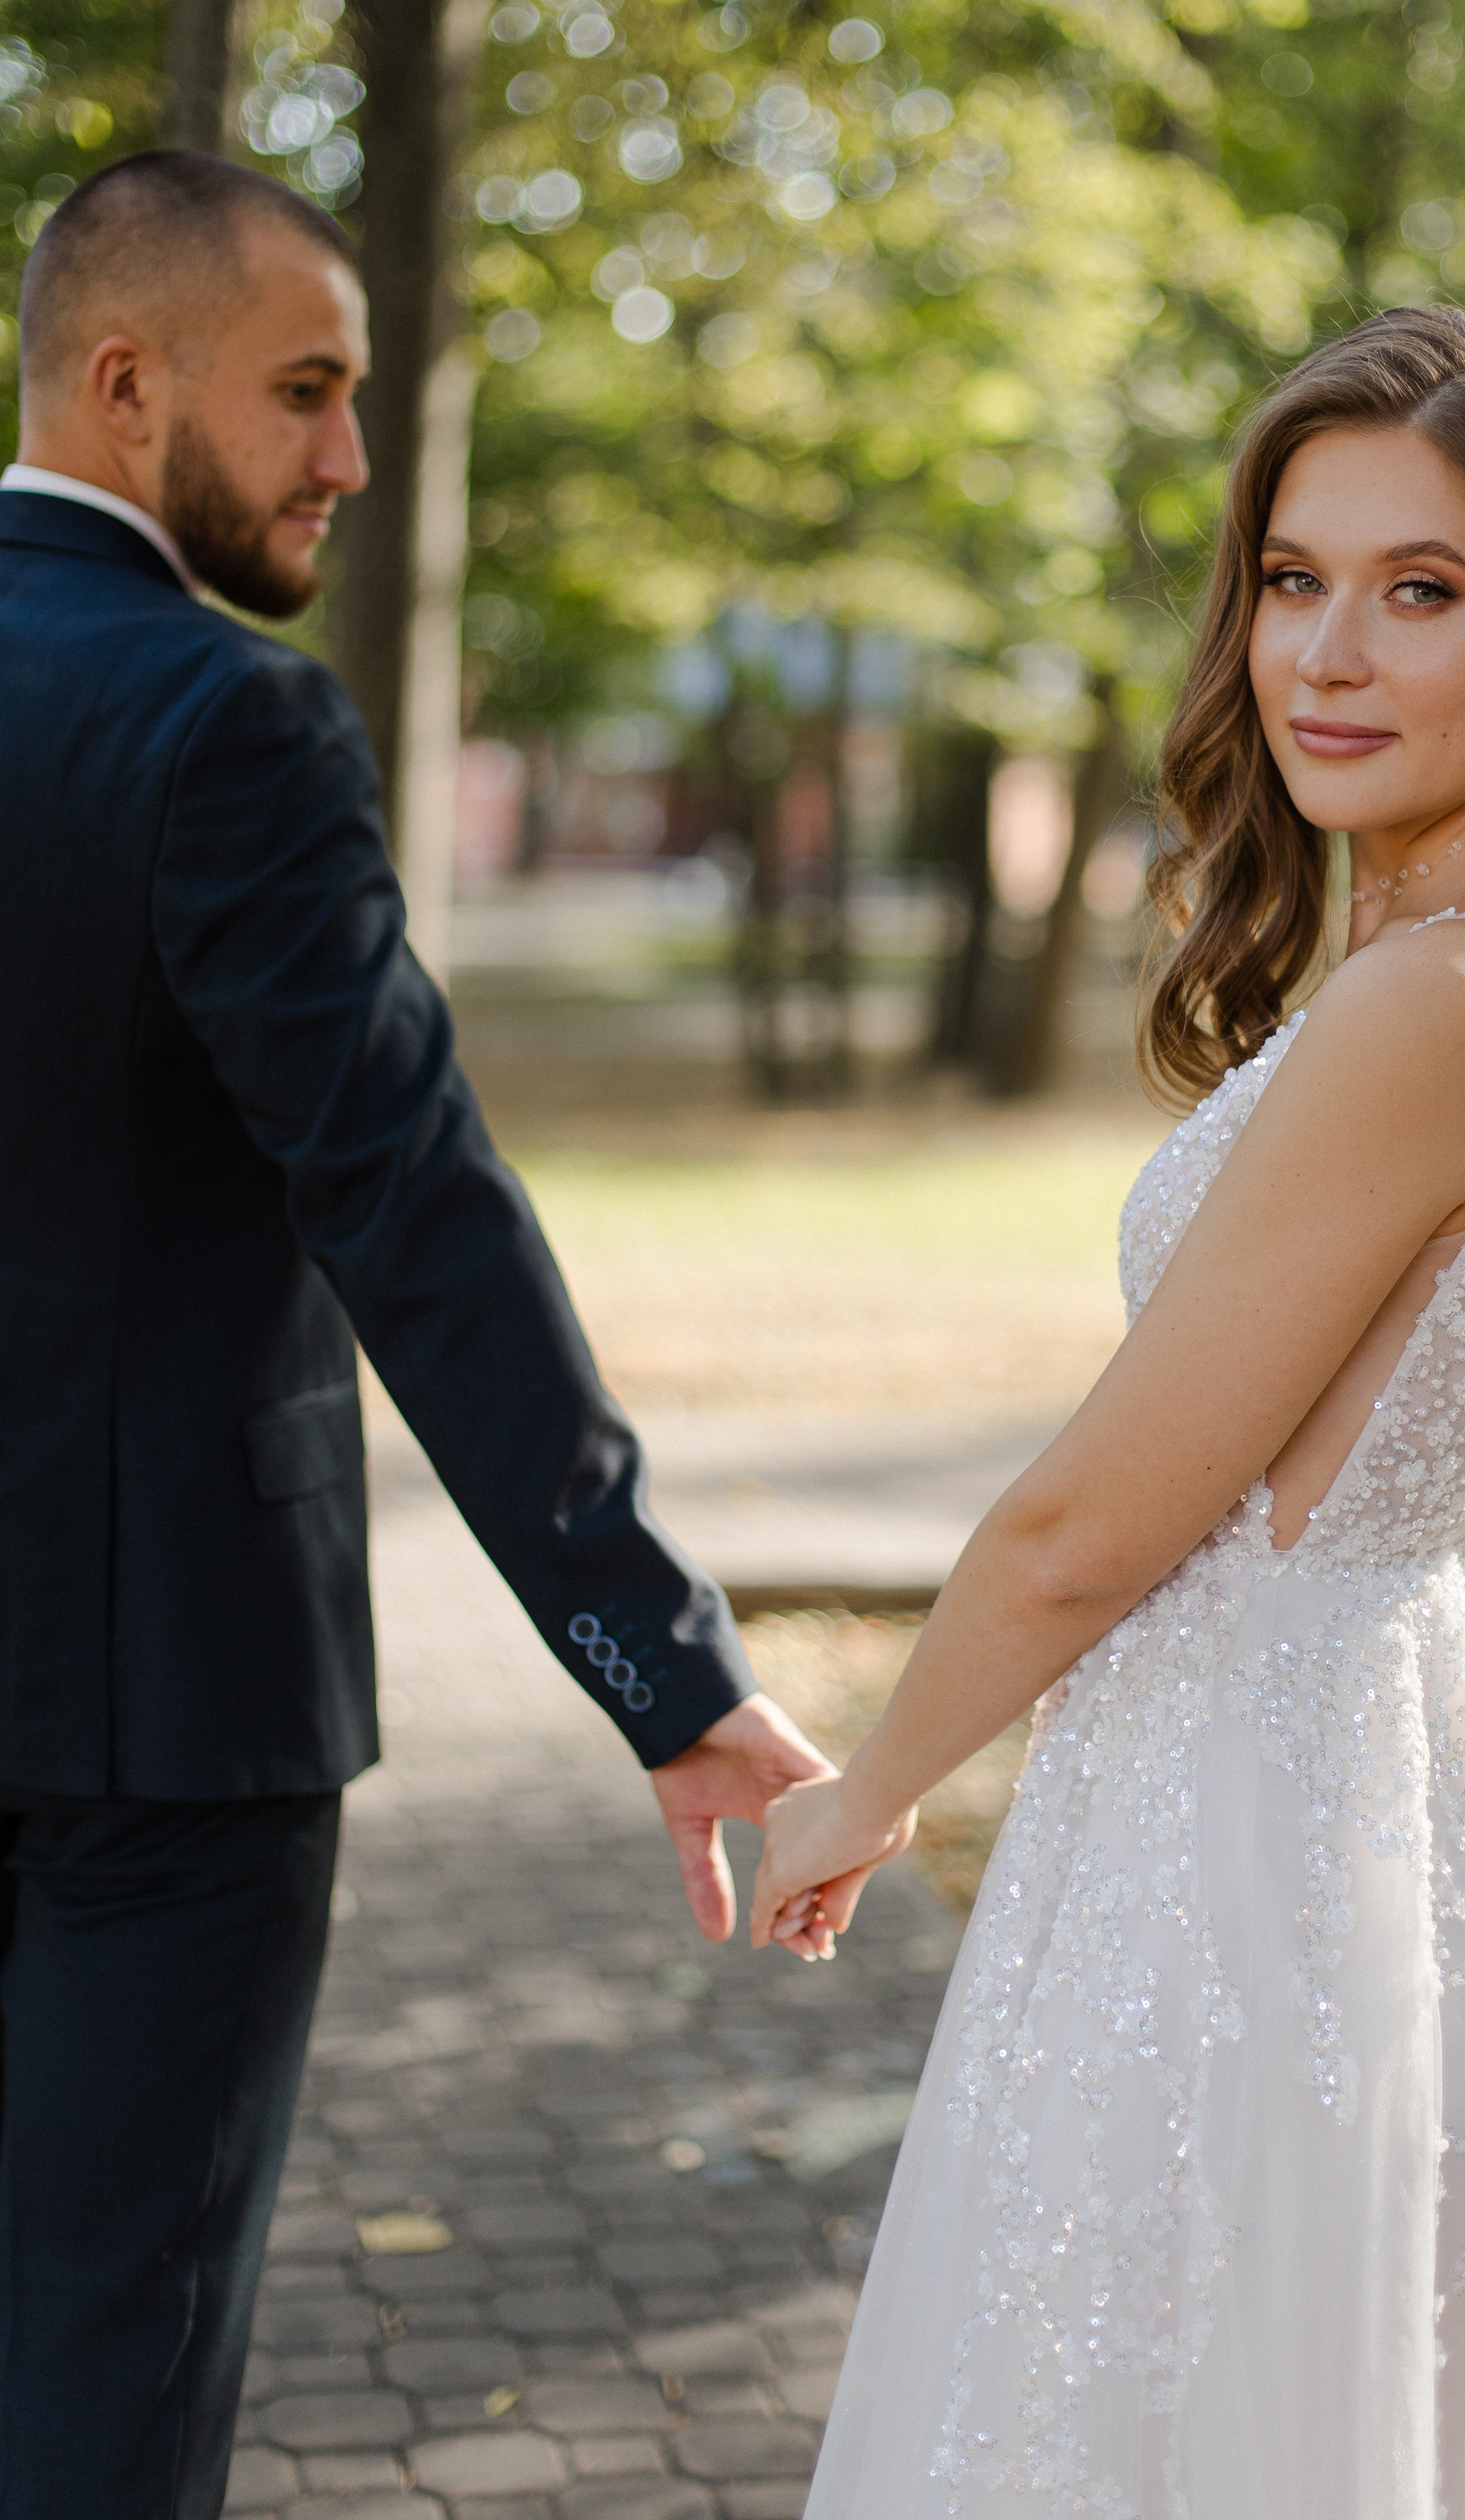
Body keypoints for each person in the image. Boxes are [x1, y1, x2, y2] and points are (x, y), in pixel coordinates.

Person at [751, 308, 1465, 2515]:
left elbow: (1089, 1524)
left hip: (1267, 1802)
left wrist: (864, 1786)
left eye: (1421, 590)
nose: (1326, 652)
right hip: (1409, 1751)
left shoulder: (1444, 994)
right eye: (1291, 577)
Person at [0, 149, 833, 2520]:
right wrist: (660, 1667)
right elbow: (413, 1211)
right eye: (307, 394)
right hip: (170, 1727)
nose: (351, 461)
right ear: (124, 381)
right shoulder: (219, 723)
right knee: (98, 2374)